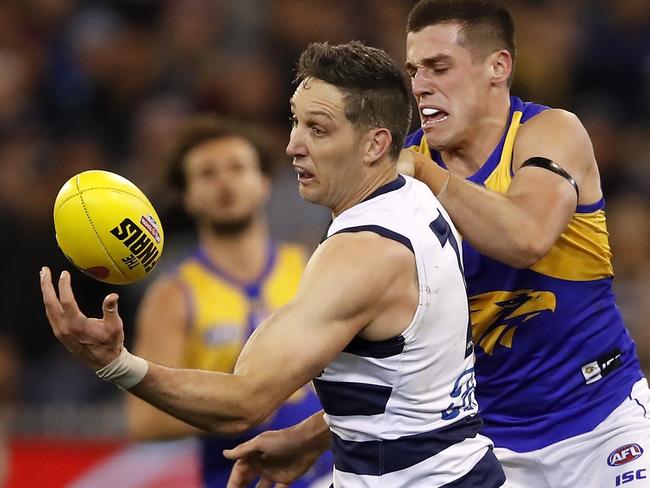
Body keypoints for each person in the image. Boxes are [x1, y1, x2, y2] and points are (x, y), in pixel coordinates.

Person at [40, 41, 507, 487]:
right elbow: (409, 380)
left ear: (373, 144)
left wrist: (113, 363)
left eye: (317, 129)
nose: (293, 146)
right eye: (294, 122)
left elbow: (245, 403)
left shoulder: (363, 252)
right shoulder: (415, 199)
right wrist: (309, 435)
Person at [225, 1, 650, 487]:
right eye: (413, 70)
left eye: (439, 67)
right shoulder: (396, 185)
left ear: (498, 67)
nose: (421, 84)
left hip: (603, 427)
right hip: (486, 448)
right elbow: (400, 356)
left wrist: (427, 174)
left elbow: (528, 238)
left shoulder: (549, 133)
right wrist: (313, 433)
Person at [124, 116, 332, 487]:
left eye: (237, 167)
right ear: (187, 196)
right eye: (206, 173)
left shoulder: (312, 268)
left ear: (264, 182)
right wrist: (241, 401)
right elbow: (145, 420)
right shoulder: (173, 296)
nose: (225, 182)